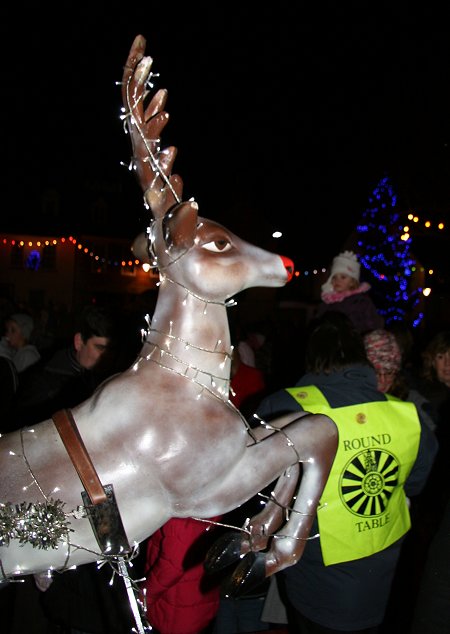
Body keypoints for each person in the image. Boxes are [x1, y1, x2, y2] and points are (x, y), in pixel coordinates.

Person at [257, 312, 438, 633]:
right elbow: (416, 484)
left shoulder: (283, 408)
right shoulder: (407, 415)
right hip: (383, 578)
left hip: (315, 583)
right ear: (362, 359)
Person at [6, 304, 138, 634]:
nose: (104, 356)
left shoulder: (103, 382)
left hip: (95, 500)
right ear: (79, 341)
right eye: (99, 348)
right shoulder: (46, 383)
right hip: (53, 509)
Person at [140, 344, 268, 634]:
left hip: (175, 606)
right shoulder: (212, 470)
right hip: (198, 597)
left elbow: (174, 559)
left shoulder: (185, 491)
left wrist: (146, 593)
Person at [316, 250, 384, 334]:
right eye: (334, 277)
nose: (337, 280)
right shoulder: (327, 303)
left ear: (352, 281)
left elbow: (373, 326)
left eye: (343, 277)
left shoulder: (361, 301)